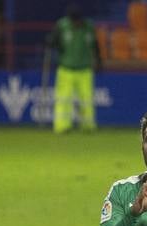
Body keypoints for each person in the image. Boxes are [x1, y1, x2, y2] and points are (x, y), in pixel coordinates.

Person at [45, 4, 100, 134]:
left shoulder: (88, 27)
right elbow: (53, 41)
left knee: (86, 100)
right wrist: (50, 41)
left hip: (84, 69)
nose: (76, 22)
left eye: (77, 20)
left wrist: (98, 61)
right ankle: (62, 126)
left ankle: (87, 125)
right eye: (73, 20)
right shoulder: (62, 26)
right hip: (66, 68)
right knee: (63, 99)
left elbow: (95, 45)